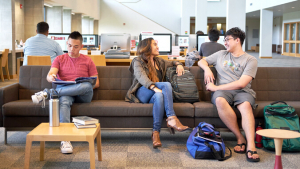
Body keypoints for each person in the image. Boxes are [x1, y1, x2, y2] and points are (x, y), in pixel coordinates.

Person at [31, 31, 99, 154]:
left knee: (87, 85)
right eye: (69, 45)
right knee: (64, 101)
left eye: (75, 46)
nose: (71, 49)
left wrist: (79, 86)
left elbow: (96, 83)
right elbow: (51, 74)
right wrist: (51, 77)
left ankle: (48, 93)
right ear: (66, 44)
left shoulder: (88, 60)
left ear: (81, 47)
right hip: (66, 93)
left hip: (84, 95)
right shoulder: (59, 59)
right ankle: (65, 140)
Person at [198, 27, 260, 162]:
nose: (225, 43)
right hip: (223, 92)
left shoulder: (250, 60)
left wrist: (215, 87)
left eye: (227, 40)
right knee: (219, 100)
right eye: (224, 40)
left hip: (242, 91)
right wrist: (207, 69)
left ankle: (251, 144)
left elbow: (242, 84)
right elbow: (201, 61)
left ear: (237, 40)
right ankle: (239, 137)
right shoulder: (221, 54)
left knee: (246, 107)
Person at [125, 38, 191, 148]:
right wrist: (154, 88)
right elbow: (141, 78)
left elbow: (172, 62)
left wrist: (179, 64)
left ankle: (155, 133)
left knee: (159, 96)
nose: (158, 47)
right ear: (147, 47)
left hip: (155, 94)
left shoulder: (159, 61)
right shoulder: (137, 61)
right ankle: (171, 118)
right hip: (142, 92)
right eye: (155, 44)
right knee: (166, 85)